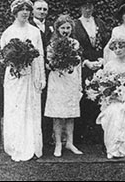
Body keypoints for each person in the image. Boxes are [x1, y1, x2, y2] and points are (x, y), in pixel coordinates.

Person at [0, 0, 46, 162]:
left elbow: (40, 55)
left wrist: (41, 77)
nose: (25, 13)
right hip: (14, 76)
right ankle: (16, 145)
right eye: (22, 10)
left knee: (31, 109)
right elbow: (4, 57)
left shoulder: (34, 32)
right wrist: (15, 61)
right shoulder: (8, 32)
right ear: (15, 12)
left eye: (28, 10)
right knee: (15, 108)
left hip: (31, 73)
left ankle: (32, 146)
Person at [71, 0, 110, 144]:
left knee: (100, 96)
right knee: (84, 99)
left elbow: (107, 44)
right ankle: (82, 136)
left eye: (90, 5)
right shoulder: (74, 25)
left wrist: (102, 60)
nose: (88, 9)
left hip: (99, 66)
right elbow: (74, 47)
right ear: (80, 7)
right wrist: (86, 62)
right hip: (83, 66)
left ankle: (98, 135)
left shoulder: (100, 23)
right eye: (85, 6)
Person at [44, 14, 84, 157]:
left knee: (70, 112)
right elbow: (48, 64)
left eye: (68, 28)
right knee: (58, 113)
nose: (65, 30)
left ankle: (70, 142)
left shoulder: (75, 43)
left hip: (71, 79)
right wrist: (55, 64)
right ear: (57, 29)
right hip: (57, 80)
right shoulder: (52, 45)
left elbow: (78, 64)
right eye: (62, 28)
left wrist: (79, 84)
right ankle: (58, 144)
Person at [29, 0, 54, 147]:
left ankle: (47, 136)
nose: (42, 12)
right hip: (35, 68)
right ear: (33, 11)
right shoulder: (29, 26)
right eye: (39, 9)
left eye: (45, 9)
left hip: (50, 68)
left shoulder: (51, 27)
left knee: (48, 101)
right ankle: (35, 135)